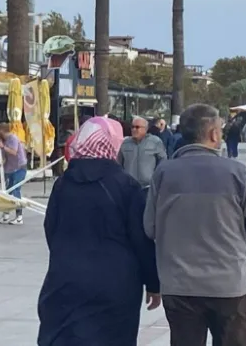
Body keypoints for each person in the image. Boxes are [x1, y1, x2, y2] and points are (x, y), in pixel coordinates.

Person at [144, 103, 246, 346]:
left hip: (179, 287)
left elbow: (150, 228)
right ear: (213, 134)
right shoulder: (236, 172)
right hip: (228, 286)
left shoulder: (164, 173)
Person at [38, 117, 160, 345]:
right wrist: (153, 284)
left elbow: (51, 228)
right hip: (115, 284)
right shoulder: (126, 186)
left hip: (65, 278)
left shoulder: (63, 184)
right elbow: (141, 239)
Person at [117, 116, 167, 187]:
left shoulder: (155, 142)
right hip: (129, 186)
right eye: (132, 127)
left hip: (148, 187)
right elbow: (119, 163)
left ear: (145, 129)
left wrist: (157, 178)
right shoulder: (125, 143)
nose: (134, 129)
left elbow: (163, 162)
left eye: (137, 127)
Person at [0, 123, 28, 225]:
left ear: (2, 131)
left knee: (15, 190)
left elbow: (14, 152)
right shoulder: (4, 141)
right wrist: (1, 162)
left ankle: (19, 217)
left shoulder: (12, 138)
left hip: (19, 168)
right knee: (7, 192)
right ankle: (6, 215)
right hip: (10, 168)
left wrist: (3, 147)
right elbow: (5, 157)